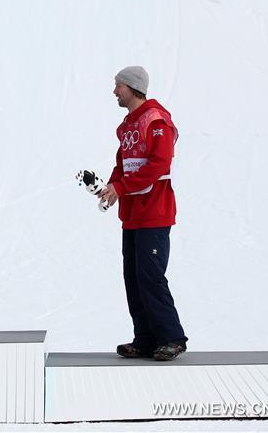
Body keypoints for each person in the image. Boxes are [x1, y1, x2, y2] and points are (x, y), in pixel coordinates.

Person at [98, 66, 188, 361]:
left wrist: (122, 187)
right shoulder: (127, 125)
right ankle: (146, 339)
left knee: (151, 276)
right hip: (132, 215)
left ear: (133, 87)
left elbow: (159, 164)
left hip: (154, 212)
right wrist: (111, 187)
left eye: (118, 86)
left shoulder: (156, 120)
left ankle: (172, 338)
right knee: (134, 277)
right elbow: (123, 163)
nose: (114, 91)